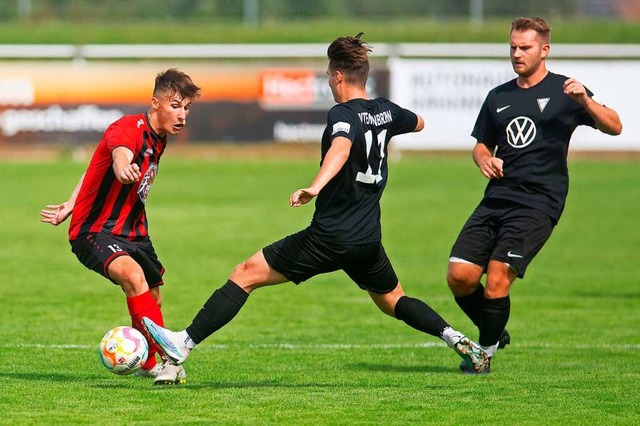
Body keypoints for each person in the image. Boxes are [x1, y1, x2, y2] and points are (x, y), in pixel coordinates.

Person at [142, 33, 489, 375]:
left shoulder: (342, 114)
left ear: (338, 76)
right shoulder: (385, 110)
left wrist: (315, 187)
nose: (328, 80)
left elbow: (340, 148)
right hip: (367, 240)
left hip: (329, 238)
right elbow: (419, 122)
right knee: (393, 299)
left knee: (245, 274)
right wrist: (387, 125)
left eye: (328, 75)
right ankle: (455, 337)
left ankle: (183, 343)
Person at [446, 17, 622, 373]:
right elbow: (481, 144)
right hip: (497, 198)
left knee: (497, 278)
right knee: (459, 276)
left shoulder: (567, 90)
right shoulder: (499, 96)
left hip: (539, 202)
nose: (516, 53)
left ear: (544, 50)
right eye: (512, 46)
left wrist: (585, 101)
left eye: (524, 47)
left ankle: (485, 353)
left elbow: (615, 126)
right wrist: (484, 159)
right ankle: (496, 330)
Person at [40, 68, 201, 385]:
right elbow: (117, 154)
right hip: (94, 230)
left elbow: (94, 165)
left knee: (152, 295)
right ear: (155, 103)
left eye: (186, 108)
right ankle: (168, 360)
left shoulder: (160, 138)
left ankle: (148, 363)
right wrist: (122, 165)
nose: (181, 115)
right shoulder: (128, 128)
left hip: (134, 230)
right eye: (175, 106)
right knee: (133, 275)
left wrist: (71, 201)